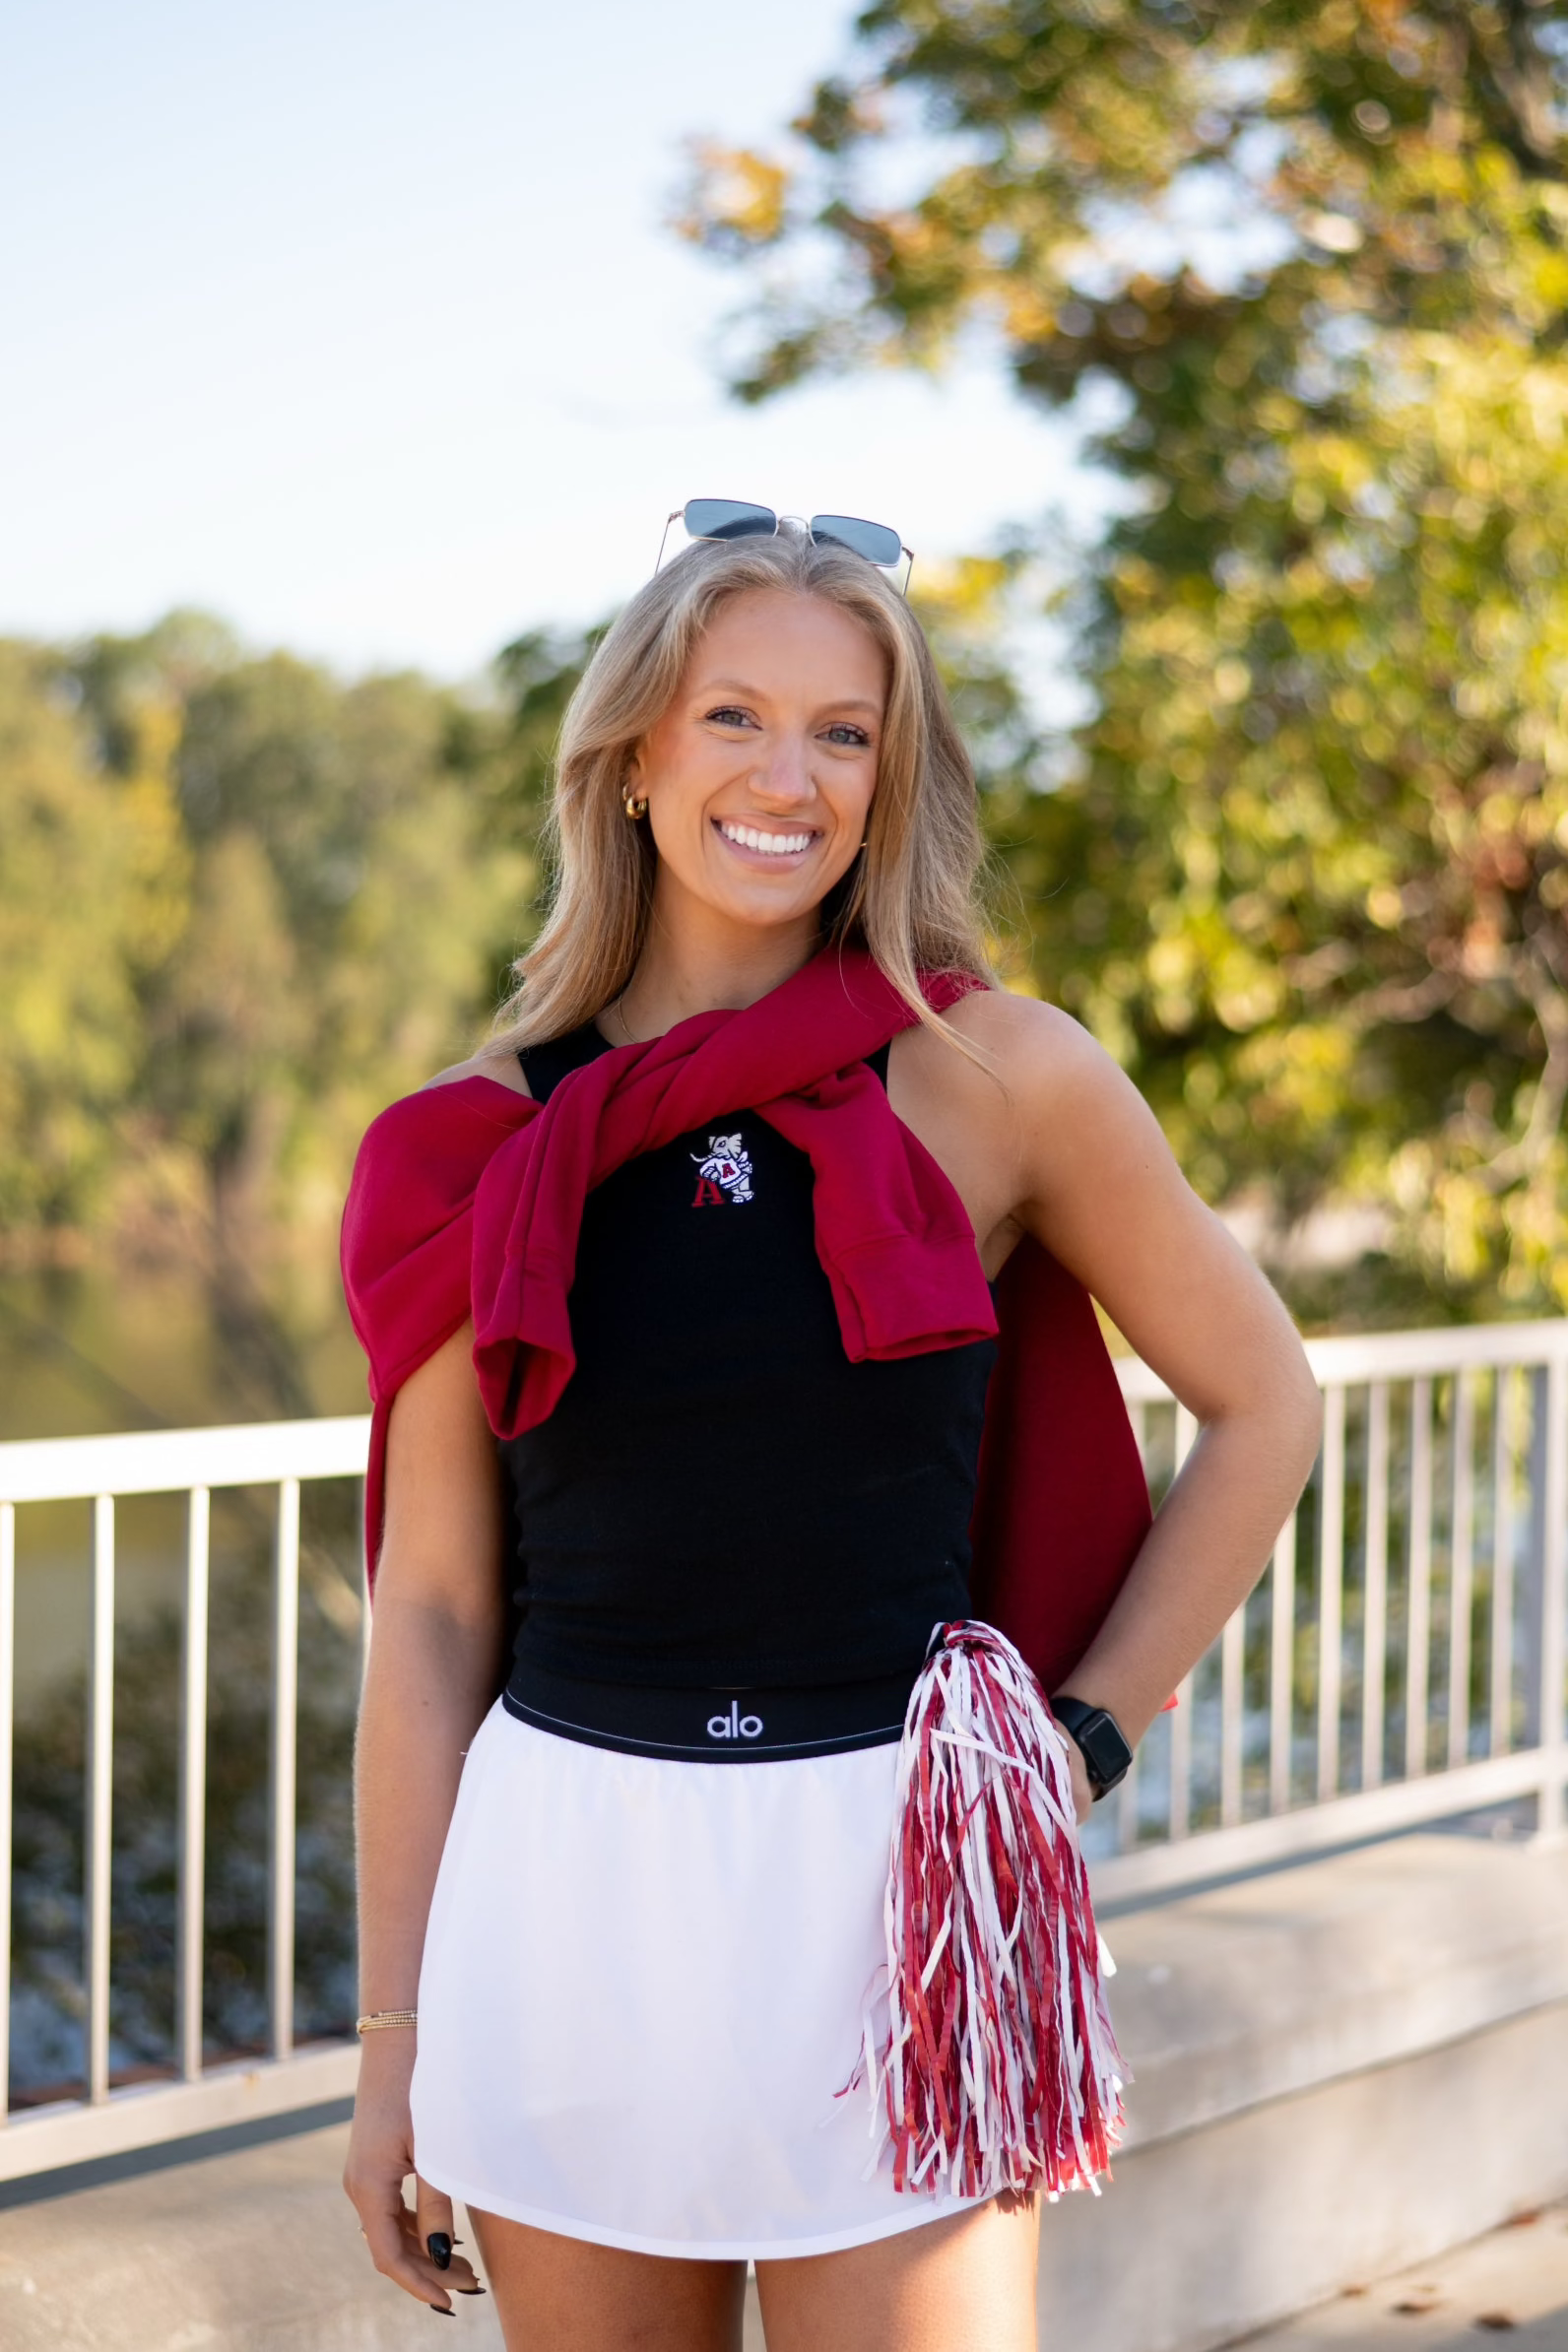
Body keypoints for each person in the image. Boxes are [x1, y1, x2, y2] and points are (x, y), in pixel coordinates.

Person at [339, 511, 1323, 2352]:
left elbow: (1266, 1403)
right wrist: (392, 2047)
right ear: (635, 755)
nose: (786, 777)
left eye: (845, 732)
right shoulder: (462, 1150)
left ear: (893, 774)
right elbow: (435, 1618)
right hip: (571, 1899)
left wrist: (1075, 1743)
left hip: (903, 1893)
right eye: (732, 717)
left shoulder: (1000, 1075)